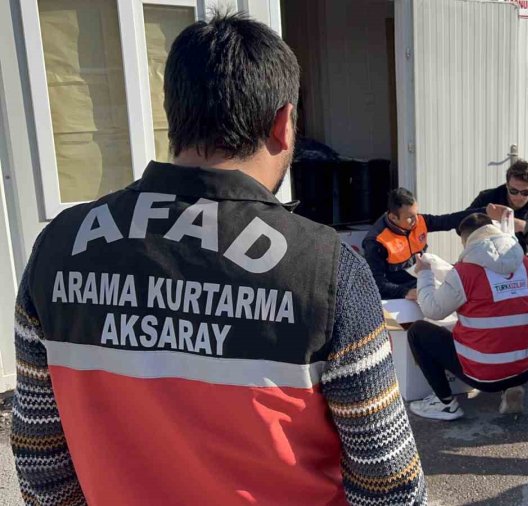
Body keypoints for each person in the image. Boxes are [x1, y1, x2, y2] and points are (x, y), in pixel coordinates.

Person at [10, 14, 426, 505]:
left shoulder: (59, 247)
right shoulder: (325, 269)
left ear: (175, 115)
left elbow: (40, 459)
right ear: (282, 124)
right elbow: (389, 483)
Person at [406, 213, 528, 420]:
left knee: (418, 331)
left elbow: (433, 310)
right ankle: (510, 386)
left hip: (483, 374)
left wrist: (424, 274)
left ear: (467, 240)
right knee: (506, 322)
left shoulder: (465, 272)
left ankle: (445, 404)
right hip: (526, 368)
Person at [364, 187, 506, 300]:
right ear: (393, 217)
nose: (416, 220)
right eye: (410, 217)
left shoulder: (419, 221)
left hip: (420, 278)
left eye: (416, 214)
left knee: (455, 283)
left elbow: (449, 220)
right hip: (398, 292)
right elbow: (377, 284)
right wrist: (406, 292)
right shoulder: (376, 242)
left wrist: (485, 212)